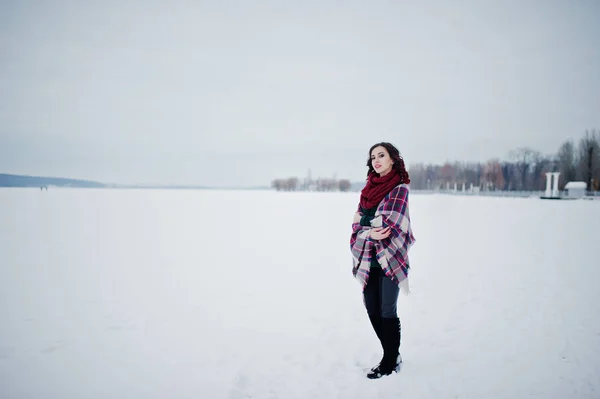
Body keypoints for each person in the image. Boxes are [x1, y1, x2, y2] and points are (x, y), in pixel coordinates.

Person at [350, 142, 415, 379]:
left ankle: (389, 361)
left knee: (388, 309)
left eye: (381, 155)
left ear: (392, 159)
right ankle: (392, 353)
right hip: (369, 260)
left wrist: (366, 227)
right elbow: (356, 227)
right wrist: (368, 230)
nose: (376, 160)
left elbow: (389, 224)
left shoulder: (400, 189)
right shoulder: (367, 191)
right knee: (371, 307)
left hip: (390, 258)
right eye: (373, 157)